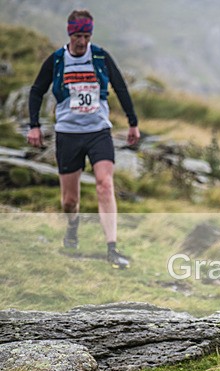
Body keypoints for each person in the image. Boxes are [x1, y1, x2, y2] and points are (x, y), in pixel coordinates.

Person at [27, 9, 140, 269]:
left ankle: (112, 247)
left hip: (98, 131)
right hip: (68, 134)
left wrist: (133, 122)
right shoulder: (57, 60)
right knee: (69, 200)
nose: (83, 41)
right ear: (70, 34)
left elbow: (120, 87)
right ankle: (72, 225)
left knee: (105, 183)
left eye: (87, 35)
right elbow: (36, 92)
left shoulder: (100, 56)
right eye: (78, 35)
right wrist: (33, 126)